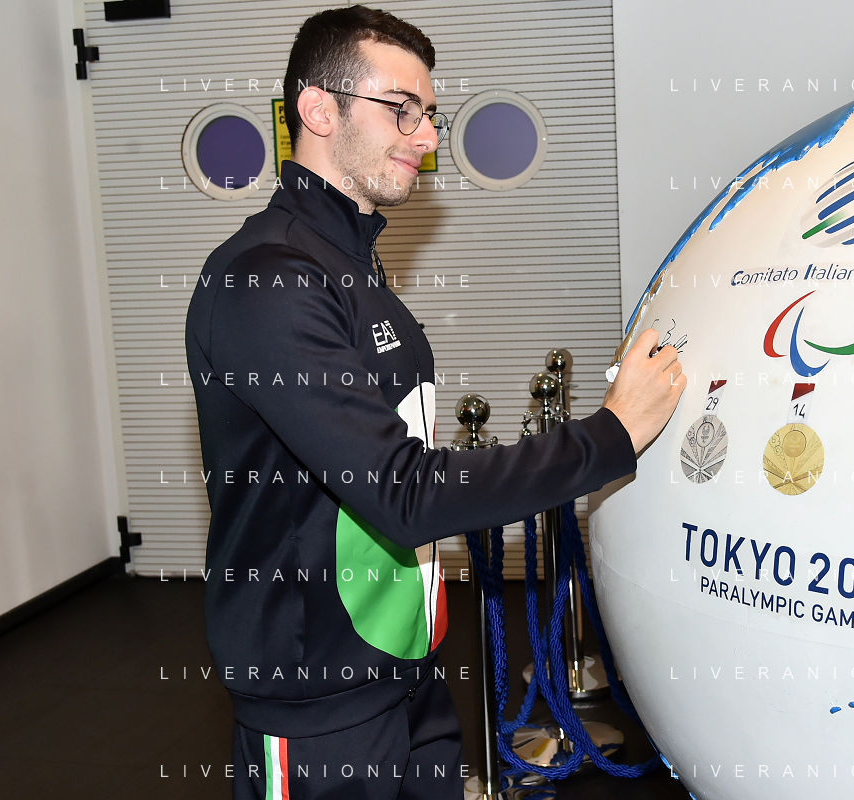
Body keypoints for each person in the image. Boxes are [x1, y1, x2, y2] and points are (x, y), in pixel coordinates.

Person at [185, 6, 684, 799]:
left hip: (402, 671)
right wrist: (609, 435)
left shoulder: (350, 262)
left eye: (429, 115)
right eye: (401, 110)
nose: (425, 137)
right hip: (318, 702)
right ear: (318, 110)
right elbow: (402, 491)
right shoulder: (269, 279)